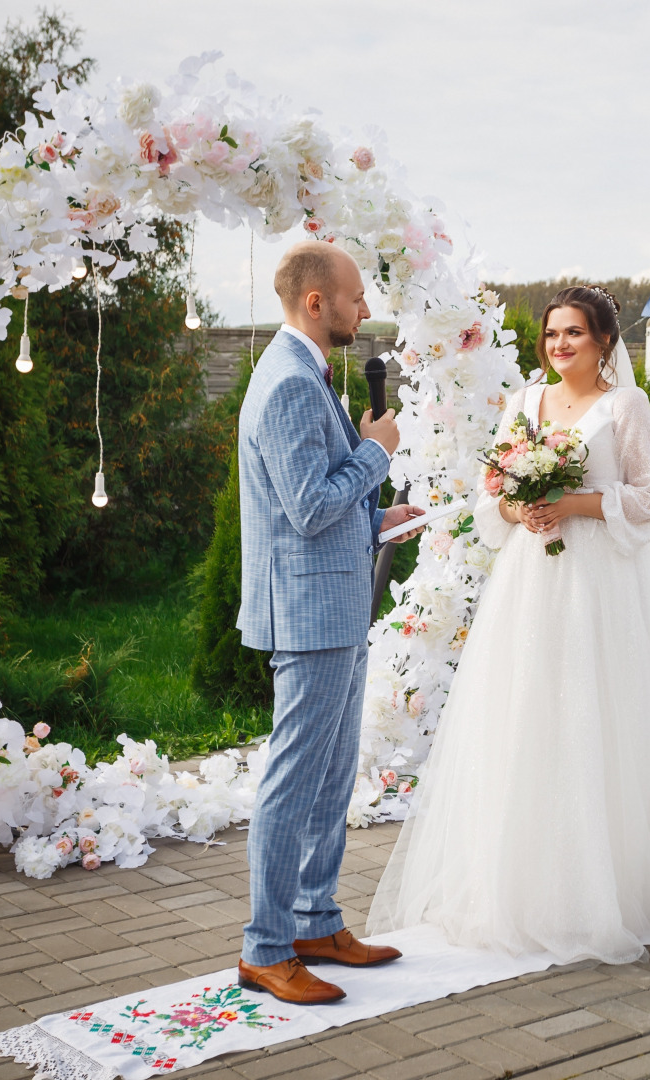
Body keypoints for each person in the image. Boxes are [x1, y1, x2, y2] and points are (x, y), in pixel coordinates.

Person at [367, 285, 650, 964]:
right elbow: (495, 494)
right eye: (551, 335)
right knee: (526, 716)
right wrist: (524, 510)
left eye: (574, 334)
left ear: (603, 340)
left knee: (597, 719)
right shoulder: (524, 402)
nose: (560, 345)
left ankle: (611, 889)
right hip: (532, 584)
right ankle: (524, 889)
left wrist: (573, 502)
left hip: (598, 583)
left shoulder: (625, 404)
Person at [236, 241, 425, 1004]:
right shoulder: (286, 383)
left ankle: (316, 920)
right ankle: (266, 947)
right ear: (316, 302)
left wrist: (380, 519)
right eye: (354, 296)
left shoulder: (309, 374)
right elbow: (310, 507)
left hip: (338, 608)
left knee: (330, 777)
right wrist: (378, 456)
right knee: (294, 781)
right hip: (308, 614)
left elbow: (318, 502)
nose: (364, 308)